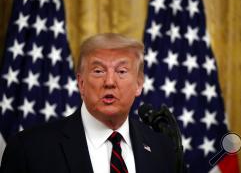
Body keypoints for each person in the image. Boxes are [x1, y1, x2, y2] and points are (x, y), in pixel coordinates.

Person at [0, 33, 177, 173]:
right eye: (98, 71)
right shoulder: (30, 149)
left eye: (121, 71)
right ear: (81, 83)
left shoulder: (163, 149)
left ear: (138, 85)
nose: (109, 81)